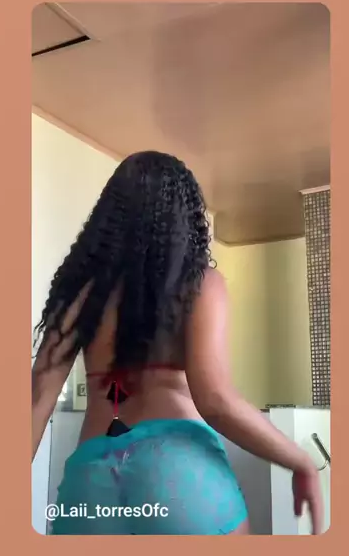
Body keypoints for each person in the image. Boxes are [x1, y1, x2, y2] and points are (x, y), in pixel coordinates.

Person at [32, 151, 323, 535]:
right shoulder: (198, 284)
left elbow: (37, 398)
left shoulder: (80, 290)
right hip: (177, 473)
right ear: (186, 215)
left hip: (91, 479)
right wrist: (300, 461)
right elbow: (216, 402)